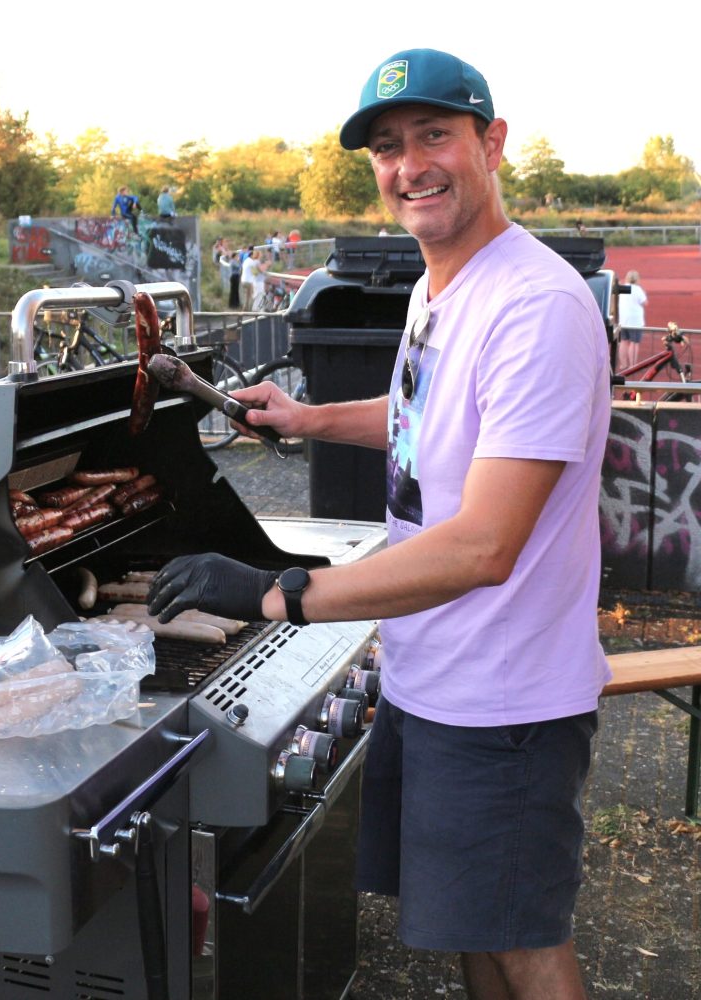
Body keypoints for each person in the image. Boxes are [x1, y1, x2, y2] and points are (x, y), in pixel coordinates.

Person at [146, 47, 611, 1000]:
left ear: (492, 143)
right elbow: (424, 419)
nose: (411, 166)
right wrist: (308, 419)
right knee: (479, 930)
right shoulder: (440, 288)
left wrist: (278, 594)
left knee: (525, 943)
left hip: (505, 700)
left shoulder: (535, 308)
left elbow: (484, 545)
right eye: (389, 148)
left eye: (435, 135)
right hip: (435, 672)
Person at [616, 270, 648, 371]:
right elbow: (645, 302)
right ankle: (632, 365)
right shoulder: (638, 289)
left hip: (623, 320)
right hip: (635, 321)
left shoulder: (622, 288)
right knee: (634, 343)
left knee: (623, 342)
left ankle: (623, 364)